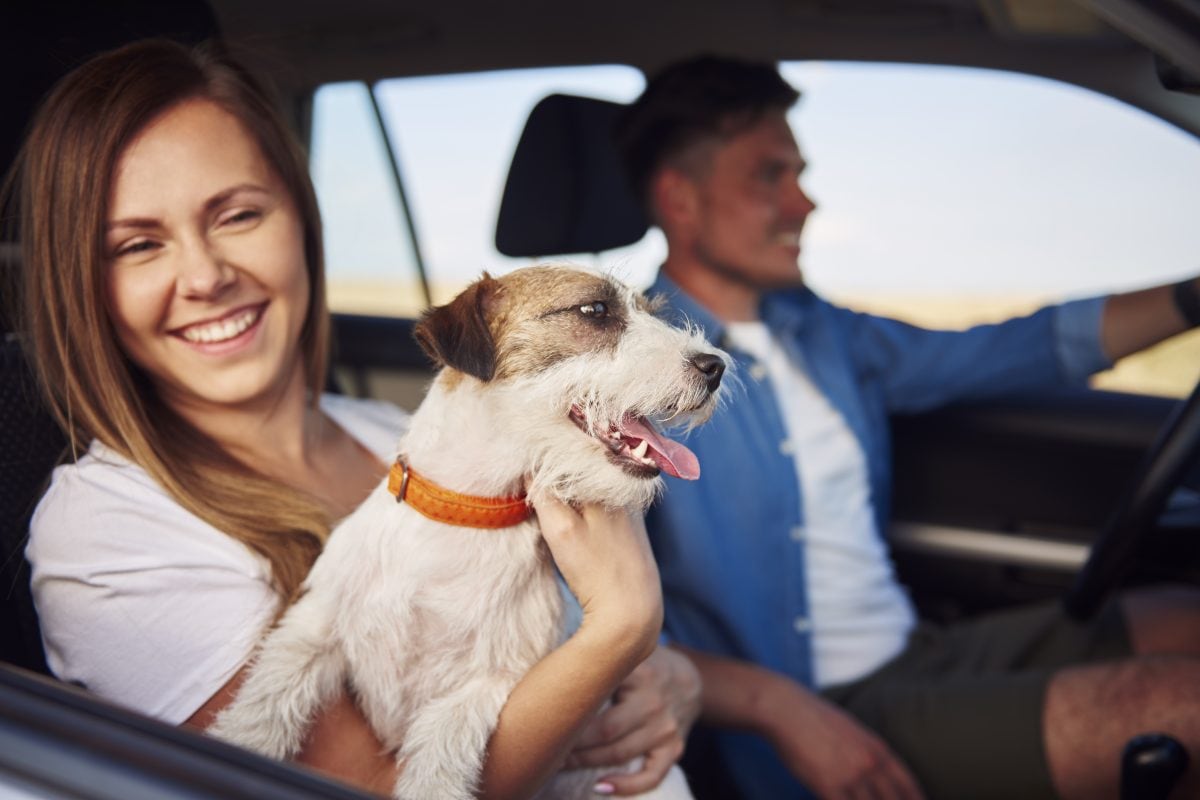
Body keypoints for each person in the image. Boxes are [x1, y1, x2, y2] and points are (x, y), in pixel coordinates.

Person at [9, 38, 697, 799]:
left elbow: (571, 631)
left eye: (237, 214)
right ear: (86, 287)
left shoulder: (391, 431)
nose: (205, 276)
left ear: (302, 221)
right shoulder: (107, 528)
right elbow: (357, 786)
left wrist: (674, 677)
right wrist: (621, 631)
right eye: (138, 244)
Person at [614, 54, 1200, 800]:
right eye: (770, 175)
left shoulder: (821, 334)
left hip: (914, 652)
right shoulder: (625, 371)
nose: (804, 203)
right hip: (810, 716)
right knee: (1181, 711)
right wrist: (778, 707)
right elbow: (593, 621)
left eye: (800, 172)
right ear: (681, 199)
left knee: (1187, 618)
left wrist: (1190, 299)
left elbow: (1015, 349)